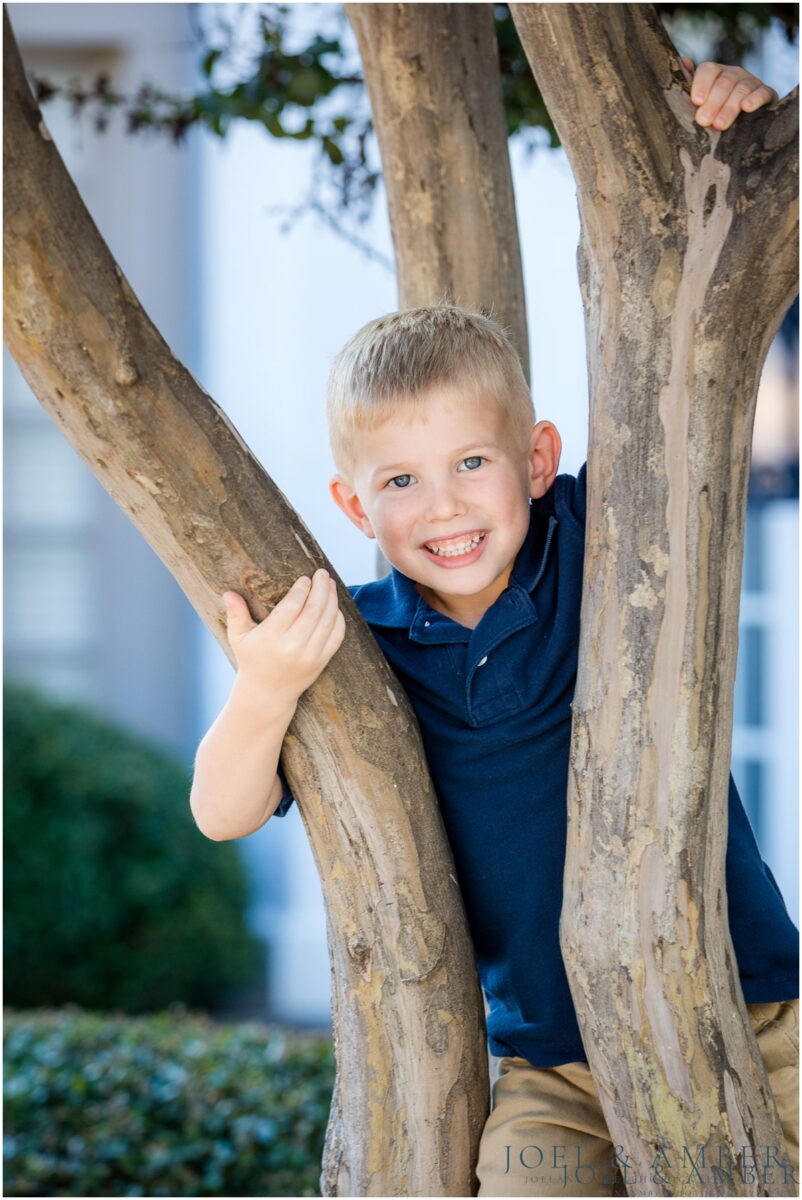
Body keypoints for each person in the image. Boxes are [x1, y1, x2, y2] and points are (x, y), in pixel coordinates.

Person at [189, 61, 798, 1196]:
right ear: (354, 508)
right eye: (403, 481)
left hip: (756, 1002)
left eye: (473, 463)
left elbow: (716, 367)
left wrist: (753, 141)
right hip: (550, 1067)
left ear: (534, 459)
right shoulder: (358, 643)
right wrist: (264, 688)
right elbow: (221, 814)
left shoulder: (603, 538)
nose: (445, 506)